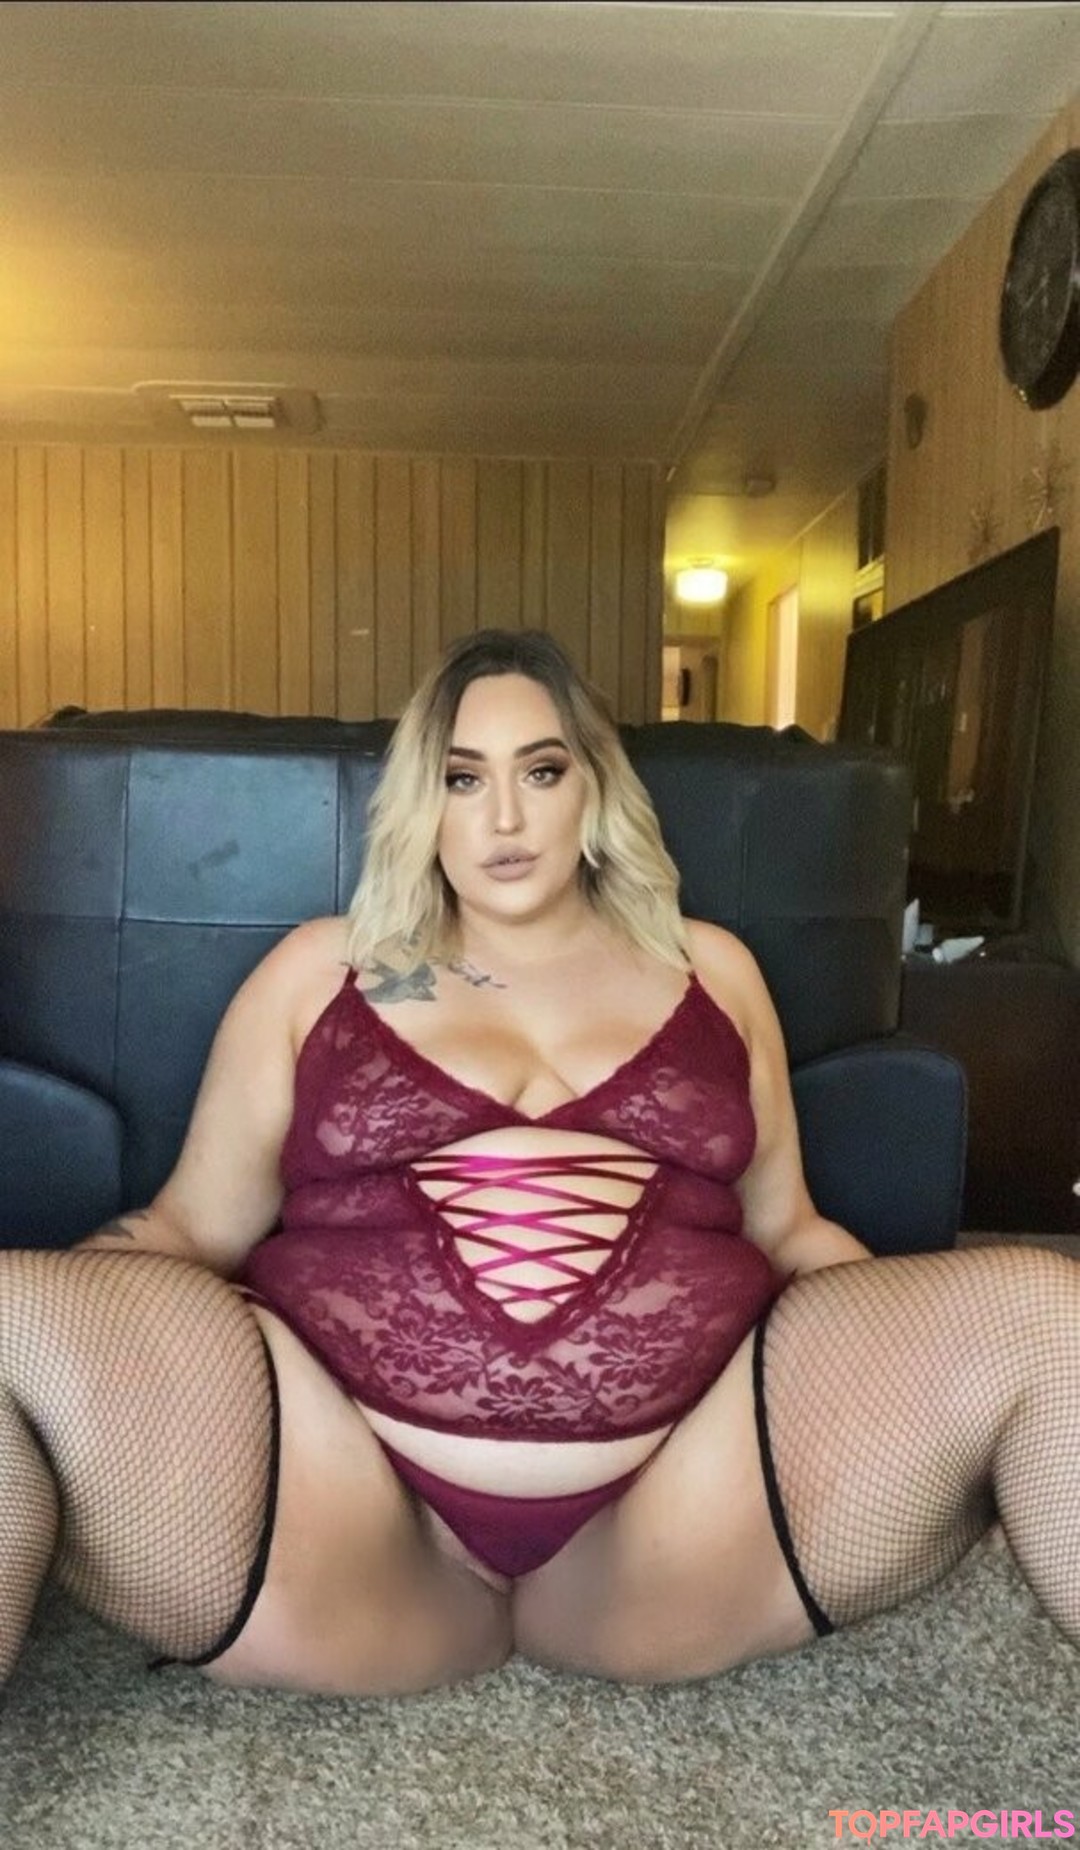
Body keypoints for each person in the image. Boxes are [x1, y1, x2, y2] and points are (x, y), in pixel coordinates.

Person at [1, 627, 1077, 1699]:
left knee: (1047, 1318)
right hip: (342, 1515)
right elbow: (192, 1228)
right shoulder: (322, 972)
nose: (505, 819)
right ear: (423, 802)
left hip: (682, 1514)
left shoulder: (711, 969)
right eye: (463, 778)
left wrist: (921, 1373)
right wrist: (72, 1342)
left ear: (594, 788)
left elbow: (788, 1227)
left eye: (542, 771)